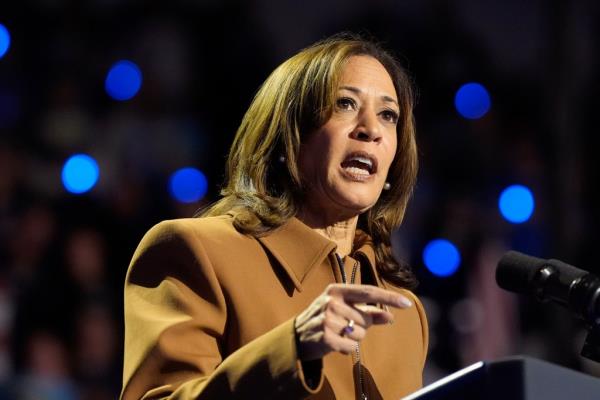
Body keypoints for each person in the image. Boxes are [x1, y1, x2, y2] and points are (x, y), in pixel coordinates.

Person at [120, 33, 428, 400]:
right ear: (289, 136)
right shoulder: (197, 251)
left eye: (388, 115)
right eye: (345, 103)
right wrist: (291, 349)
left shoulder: (405, 312)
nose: (371, 129)